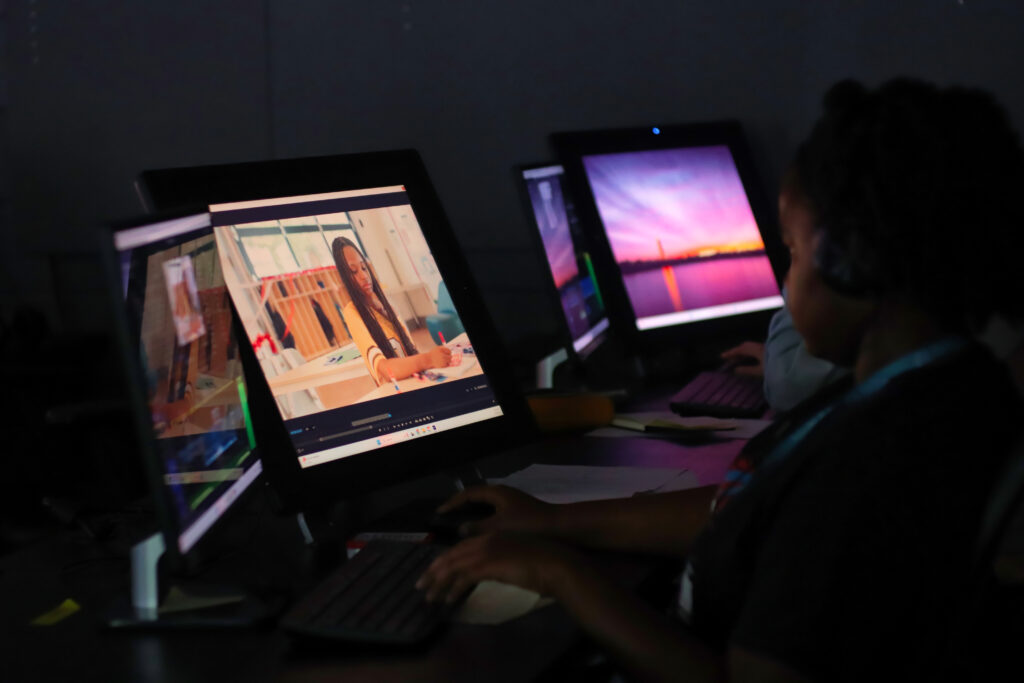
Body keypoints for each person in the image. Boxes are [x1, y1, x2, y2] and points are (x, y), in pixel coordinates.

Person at [416, 78, 1024, 682]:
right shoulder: (939, 387)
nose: (785, 283)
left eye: (792, 251)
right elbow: (748, 511)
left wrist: (561, 575)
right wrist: (552, 522)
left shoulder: (875, 462)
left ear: (850, 261)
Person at [331, 236, 451, 384]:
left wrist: (382, 310)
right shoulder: (352, 313)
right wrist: (428, 359)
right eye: (353, 271)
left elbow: (409, 350)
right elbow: (387, 371)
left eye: (363, 268)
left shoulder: (384, 303)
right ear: (345, 278)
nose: (363, 276)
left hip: (416, 381)